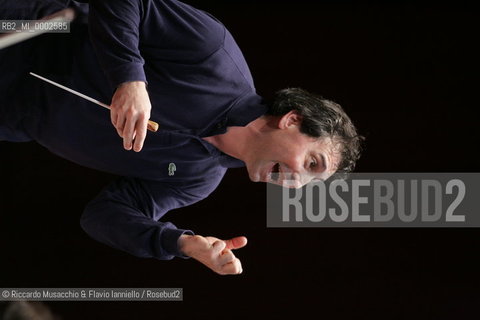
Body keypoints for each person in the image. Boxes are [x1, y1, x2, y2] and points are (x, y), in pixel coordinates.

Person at [0, 0, 362, 275]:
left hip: (10, 116)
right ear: (293, 120)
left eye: (307, 184)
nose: (296, 183)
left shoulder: (197, 180)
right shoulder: (214, 52)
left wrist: (180, 242)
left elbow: (103, 216)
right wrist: (130, 79)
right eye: (312, 163)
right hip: (28, 31)